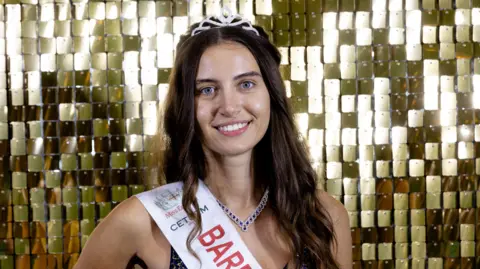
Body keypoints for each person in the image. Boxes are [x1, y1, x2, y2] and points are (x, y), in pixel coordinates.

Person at [74, 8, 352, 269]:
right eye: (207, 90)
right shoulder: (139, 222)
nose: (229, 107)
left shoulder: (324, 218)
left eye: (246, 84)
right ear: (185, 107)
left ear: (271, 95)